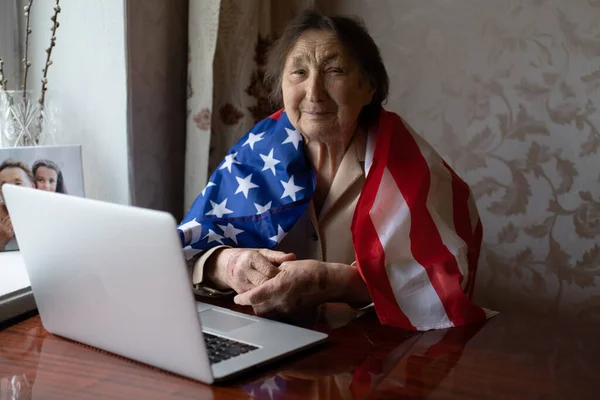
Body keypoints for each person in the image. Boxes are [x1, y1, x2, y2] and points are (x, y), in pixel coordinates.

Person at [179, 10, 489, 331]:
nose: (314, 93)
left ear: (369, 87)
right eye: (298, 72)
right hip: (267, 343)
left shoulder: (413, 168)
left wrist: (335, 283)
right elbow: (184, 250)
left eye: (334, 71)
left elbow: (445, 282)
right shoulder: (255, 153)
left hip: (373, 353)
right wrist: (227, 264)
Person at [0, 159, 35, 251]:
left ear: (32, 187)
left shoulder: (46, 215)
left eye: (18, 183)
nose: (10, 190)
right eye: (4, 186)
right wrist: (1, 242)